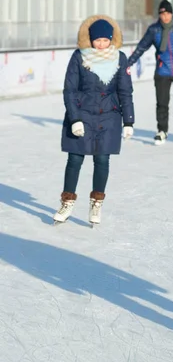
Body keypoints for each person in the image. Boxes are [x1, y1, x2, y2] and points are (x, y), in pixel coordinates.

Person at [53, 15, 134, 226]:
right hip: (82, 115)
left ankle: (96, 203)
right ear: (90, 40)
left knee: (102, 160)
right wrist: (75, 119)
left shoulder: (120, 58)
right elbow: (70, 90)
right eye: (97, 40)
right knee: (75, 159)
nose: (101, 45)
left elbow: (125, 91)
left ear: (111, 40)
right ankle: (67, 202)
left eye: (105, 40)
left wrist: (129, 121)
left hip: (109, 117)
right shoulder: (79, 57)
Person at [127, 0, 173, 145]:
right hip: (163, 71)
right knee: (162, 104)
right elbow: (142, 47)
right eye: (162, 14)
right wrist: (129, 62)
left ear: (171, 13)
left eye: (167, 13)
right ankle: (162, 130)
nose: (165, 16)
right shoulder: (154, 30)